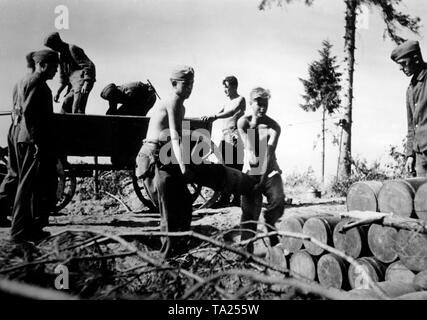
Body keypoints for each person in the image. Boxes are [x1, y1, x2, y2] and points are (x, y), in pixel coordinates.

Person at [135, 66, 195, 259]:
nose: (189, 88)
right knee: (169, 206)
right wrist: (184, 167)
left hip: (164, 154)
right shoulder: (173, 100)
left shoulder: (179, 104)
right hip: (153, 155)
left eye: (192, 84)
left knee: (184, 202)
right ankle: (167, 257)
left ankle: (181, 250)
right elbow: (175, 136)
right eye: (185, 84)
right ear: (173, 84)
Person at [10, 49, 60, 242]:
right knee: (27, 186)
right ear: (42, 65)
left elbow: (18, 111)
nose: (56, 71)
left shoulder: (22, 81)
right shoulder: (37, 83)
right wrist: (36, 141)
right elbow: (30, 113)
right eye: (54, 66)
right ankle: (20, 232)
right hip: (32, 140)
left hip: (22, 137)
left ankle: (29, 229)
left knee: (30, 185)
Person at [237, 87, 285, 253]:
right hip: (251, 173)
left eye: (265, 104)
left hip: (270, 171)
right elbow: (250, 154)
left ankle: (271, 226)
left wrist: (263, 181)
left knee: (278, 200)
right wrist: (254, 124)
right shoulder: (242, 122)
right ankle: (246, 253)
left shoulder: (274, 127)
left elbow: (268, 156)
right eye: (259, 104)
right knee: (249, 215)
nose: (262, 108)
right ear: (251, 103)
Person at [0, 53, 37, 227]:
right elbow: (29, 112)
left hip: (14, 129)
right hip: (25, 131)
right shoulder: (33, 82)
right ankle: (22, 222)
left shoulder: (19, 82)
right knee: (25, 178)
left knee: (13, 174)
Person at [202, 76, 246, 207]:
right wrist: (207, 117)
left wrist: (214, 117)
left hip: (235, 134)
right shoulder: (226, 102)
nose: (225, 90)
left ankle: (237, 198)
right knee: (224, 166)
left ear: (234, 86)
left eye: (226, 87)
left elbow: (231, 112)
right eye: (224, 87)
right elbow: (218, 113)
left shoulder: (240, 99)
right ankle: (225, 197)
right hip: (224, 134)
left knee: (236, 166)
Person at [391, 40, 427, 177]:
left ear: (416, 59)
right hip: (420, 158)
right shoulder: (410, 90)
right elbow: (412, 126)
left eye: (403, 63)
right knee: (422, 197)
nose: (400, 68)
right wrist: (410, 155)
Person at [44, 32, 96, 114]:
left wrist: (86, 82)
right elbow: (63, 79)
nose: (53, 49)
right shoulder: (61, 56)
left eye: (53, 46)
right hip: (73, 85)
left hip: (82, 82)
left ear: (57, 42)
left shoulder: (72, 48)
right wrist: (58, 92)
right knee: (66, 105)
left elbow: (89, 65)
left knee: (77, 109)